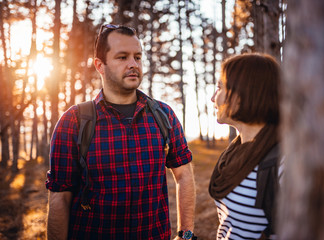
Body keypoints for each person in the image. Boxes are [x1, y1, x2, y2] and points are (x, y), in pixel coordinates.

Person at [46, 24, 197, 240]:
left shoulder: (164, 115)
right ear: (100, 65)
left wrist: (187, 234)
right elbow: (59, 198)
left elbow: (184, 175)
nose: (133, 64)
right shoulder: (74, 121)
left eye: (137, 57)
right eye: (122, 57)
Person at [209, 53, 283, 239]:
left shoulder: (283, 163)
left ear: (242, 94)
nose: (213, 98)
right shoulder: (234, 152)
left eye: (219, 88)